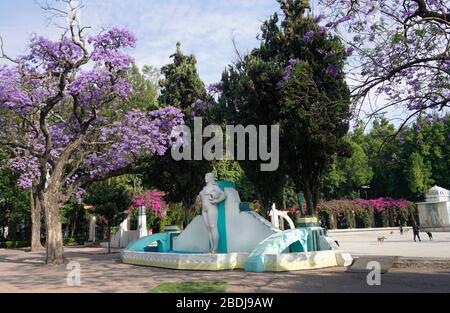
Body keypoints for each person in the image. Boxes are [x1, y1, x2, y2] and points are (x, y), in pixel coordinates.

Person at [198, 173, 227, 253]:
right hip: (204, 209)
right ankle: (211, 248)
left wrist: (216, 201)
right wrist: (198, 198)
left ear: (211, 178)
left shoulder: (214, 187)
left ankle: (215, 248)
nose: (205, 178)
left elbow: (224, 195)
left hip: (211, 208)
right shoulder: (204, 188)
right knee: (208, 229)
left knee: (213, 227)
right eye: (205, 176)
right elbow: (201, 197)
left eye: (207, 176)